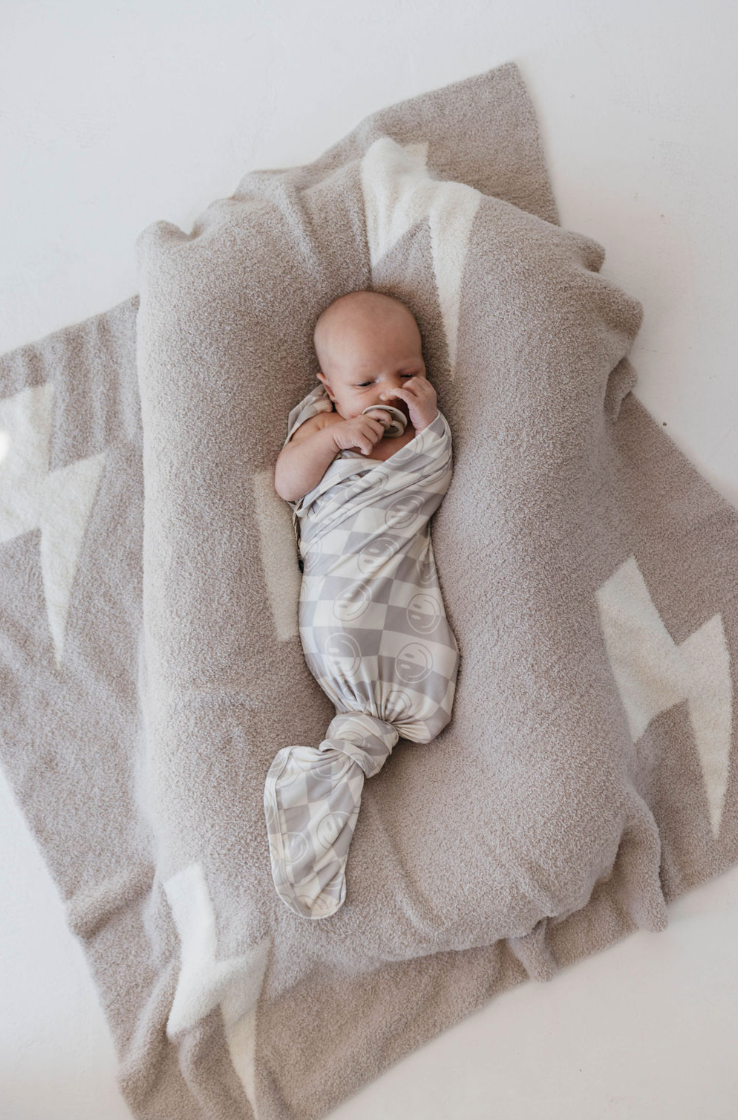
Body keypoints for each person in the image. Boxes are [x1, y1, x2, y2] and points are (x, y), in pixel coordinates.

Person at [264, 290, 459, 920]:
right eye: (366, 381)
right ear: (328, 388)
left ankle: (365, 739)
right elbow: (288, 483)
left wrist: (430, 424)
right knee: (351, 627)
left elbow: (434, 480)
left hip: (396, 573)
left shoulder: (419, 434)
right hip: (339, 592)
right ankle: (342, 757)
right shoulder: (324, 427)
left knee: (417, 637)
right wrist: (337, 440)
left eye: (409, 374)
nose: (389, 392)